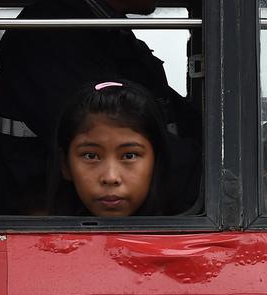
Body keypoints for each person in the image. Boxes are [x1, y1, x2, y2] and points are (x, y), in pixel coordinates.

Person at [0, 0, 201, 215]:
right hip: (50, 231)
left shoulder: (115, 36)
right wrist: (220, 172)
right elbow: (109, 128)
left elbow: (169, 111)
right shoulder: (49, 35)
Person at [48, 80, 174, 217]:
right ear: (65, 165)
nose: (110, 177)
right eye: (91, 156)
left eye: (129, 156)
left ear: (156, 162)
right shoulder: (39, 227)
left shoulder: (185, 226)